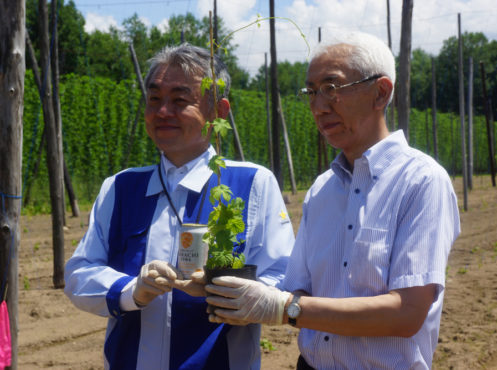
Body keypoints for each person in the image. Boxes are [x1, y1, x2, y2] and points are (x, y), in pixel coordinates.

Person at [204, 32, 461, 369]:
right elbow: (297, 290)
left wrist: (284, 308)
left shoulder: (421, 181)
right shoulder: (322, 189)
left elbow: (407, 313)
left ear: (380, 93)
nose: (318, 106)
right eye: (311, 92)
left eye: (331, 88)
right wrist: (224, 287)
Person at [64, 44, 295, 370]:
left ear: (219, 110)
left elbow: (281, 277)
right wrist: (132, 290)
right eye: (154, 99)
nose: (162, 112)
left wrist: (221, 291)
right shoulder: (120, 187)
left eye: (180, 100)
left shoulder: (252, 184)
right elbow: (78, 274)